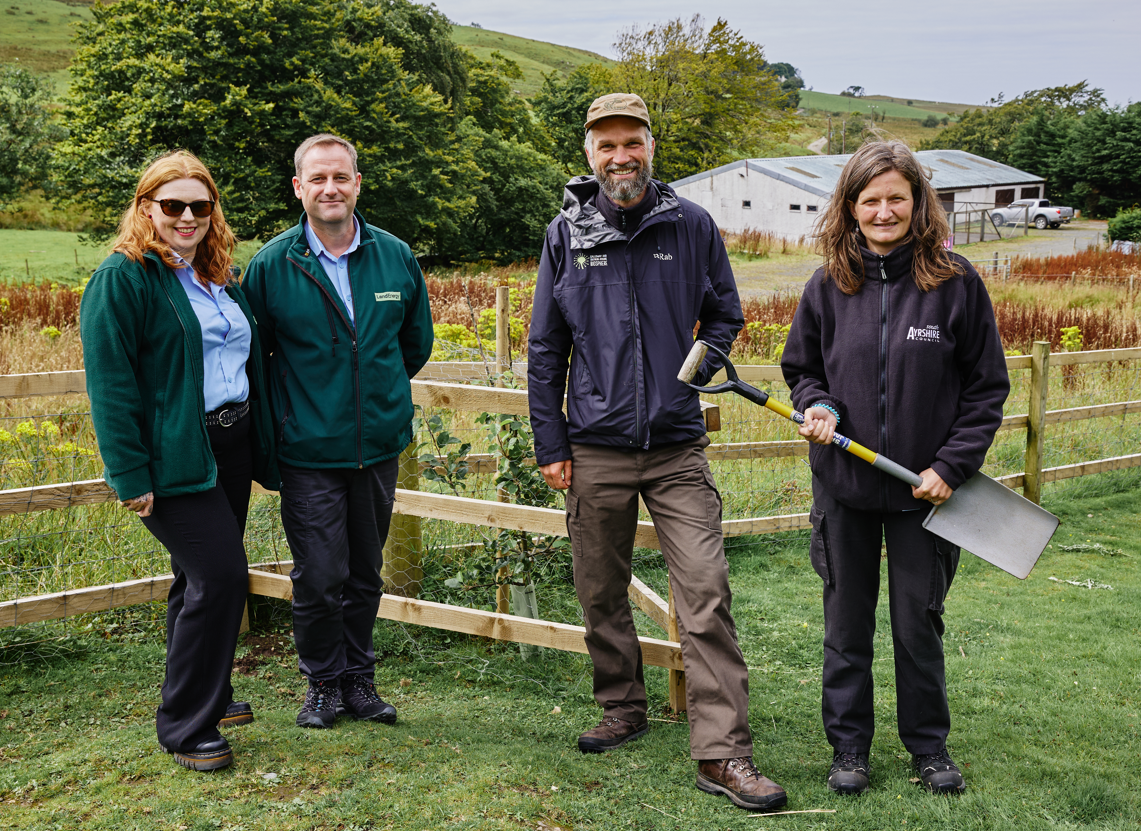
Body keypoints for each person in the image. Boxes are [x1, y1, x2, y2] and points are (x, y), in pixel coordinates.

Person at [527, 93, 787, 812]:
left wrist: (706, 359)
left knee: (704, 591)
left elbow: (726, 310)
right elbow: (546, 345)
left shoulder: (690, 225)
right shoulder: (566, 234)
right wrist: (550, 440)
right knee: (599, 588)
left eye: (631, 143)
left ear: (650, 146)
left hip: (676, 446)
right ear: (588, 153)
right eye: (605, 145)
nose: (620, 157)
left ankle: (722, 752)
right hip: (595, 447)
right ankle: (622, 704)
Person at [781, 141, 1010, 796]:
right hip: (844, 488)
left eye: (895, 199)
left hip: (924, 495)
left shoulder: (955, 282)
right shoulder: (827, 284)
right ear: (849, 207)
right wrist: (816, 404)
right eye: (869, 199)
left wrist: (952, 464)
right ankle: (848, 747)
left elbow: (984, 389)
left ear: (917, 203)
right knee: (845, 625)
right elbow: (803, 370)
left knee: (917, 625)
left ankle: (928, 748)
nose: (883, 211)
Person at [80, 151, 278, 772]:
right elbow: (110, 384)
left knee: (197, 581)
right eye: (173, 206)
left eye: (200, 205)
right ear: (146, 209)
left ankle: (207, 693)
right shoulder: (125, 278)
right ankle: (187, 726)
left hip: (231, 444)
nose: (187, 216)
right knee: (221, 577)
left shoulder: (216, 273)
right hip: (175, 456)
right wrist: (130, 474)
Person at [243, 134, 433, 729]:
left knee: (364, 572)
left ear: (357, 184)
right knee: (320, 576)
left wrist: (371, 399)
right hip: (308, 451)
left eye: (341, 177)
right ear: (299, 187)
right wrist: (300, 417)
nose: (330, 188)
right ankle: (322, 683)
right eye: (317, 178)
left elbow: (414, 344)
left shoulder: (394, 255)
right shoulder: (273, 265)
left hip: (376, 448)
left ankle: (359, 680)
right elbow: (256, 357)